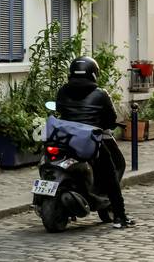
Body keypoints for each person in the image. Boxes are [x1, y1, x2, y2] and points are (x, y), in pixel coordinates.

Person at [55, 56, 135, 228]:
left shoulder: (62, 91)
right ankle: (120, 216)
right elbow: (111, 119)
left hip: (66, 141)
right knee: (110, 174)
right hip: (89, 143)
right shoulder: (101, 94)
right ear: (93, 74)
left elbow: (59, 110)